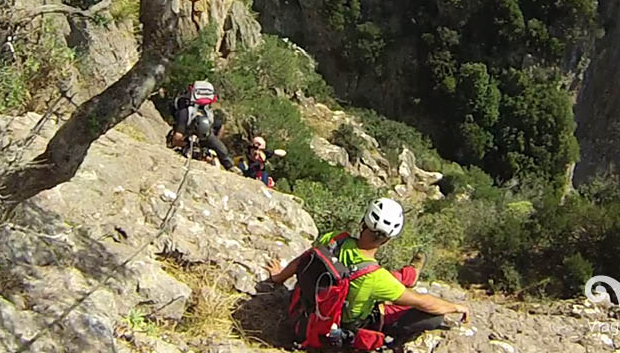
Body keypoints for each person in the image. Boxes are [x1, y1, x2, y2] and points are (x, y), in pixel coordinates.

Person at [265, 198, 469, 349]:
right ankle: (410, 276)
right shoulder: (377, 277)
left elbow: (305, 259)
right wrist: (455, 306)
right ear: (387, 240)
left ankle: (410, 274)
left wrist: (278, 277)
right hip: (338, 332)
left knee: (384, 279)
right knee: (432, 316)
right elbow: (423, 302)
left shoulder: (335, 239)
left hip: (304, 314)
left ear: (363, 222)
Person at [168, 81, 241, 174]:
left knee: (220, 148)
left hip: (206, 134)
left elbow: (219, 127)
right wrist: (186, 143)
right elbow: (177, 137)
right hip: (187, 136)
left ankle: (230, 166)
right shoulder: (185, 111)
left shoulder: (206, 111)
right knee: (216, 146)